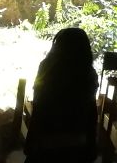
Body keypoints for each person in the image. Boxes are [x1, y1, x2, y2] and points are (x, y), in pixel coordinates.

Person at [25, 27, 98, 162]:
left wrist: (31, 143)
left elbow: (38, 108)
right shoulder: (88, 74)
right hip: (77, 146)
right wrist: (92, 147)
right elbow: (91, 114)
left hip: (46, 144)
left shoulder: (46, 70)